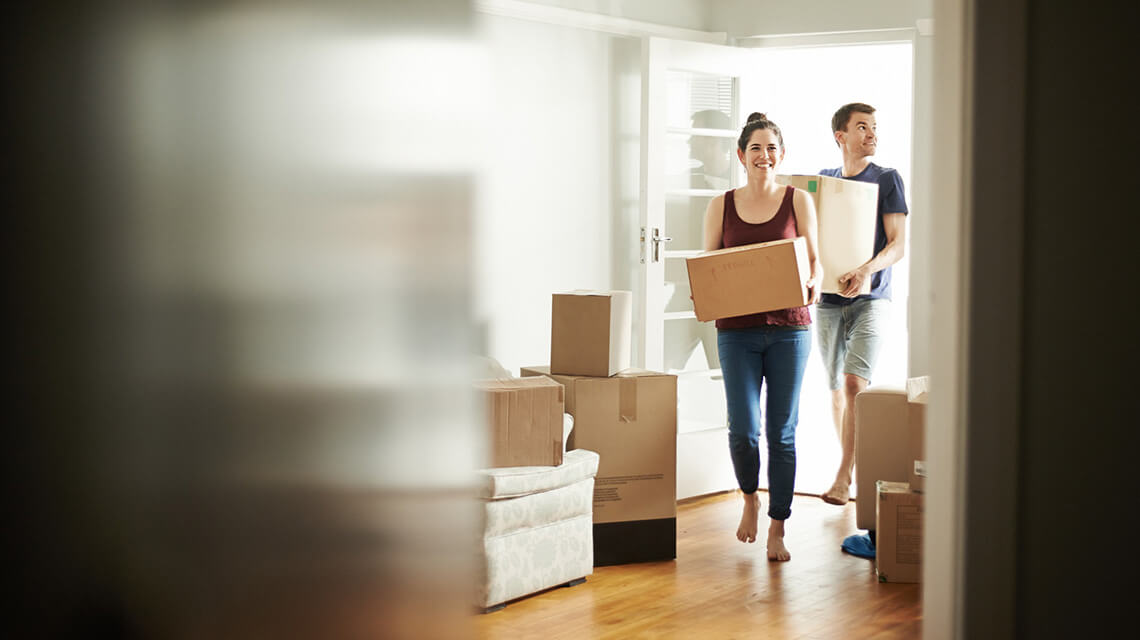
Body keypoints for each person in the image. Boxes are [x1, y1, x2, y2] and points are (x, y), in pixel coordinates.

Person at [702, 112, 822, 561]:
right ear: (741, 155)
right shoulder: (722, 205)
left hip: (790, 329)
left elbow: (816, 261)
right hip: (737, 333)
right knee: (744, 431)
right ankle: (750, 497)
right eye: (755, 148)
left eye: (772, 148)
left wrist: (815, 281)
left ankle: (778, 526)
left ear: (782, 154)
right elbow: (709, 267)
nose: (764, 156)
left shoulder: (798, 201)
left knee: (782, 433)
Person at [816, 103, 909, 507]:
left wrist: (865, 270)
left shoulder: (887, 179)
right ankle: (849, 471)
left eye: (874, 127)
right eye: (862, 127)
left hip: (872, 299)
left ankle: (844, 476)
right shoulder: (824, 181)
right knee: (837, 389)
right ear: (841, 136)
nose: (872, 134)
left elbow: (898, 244)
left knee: (856, 384)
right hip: (828, 301)